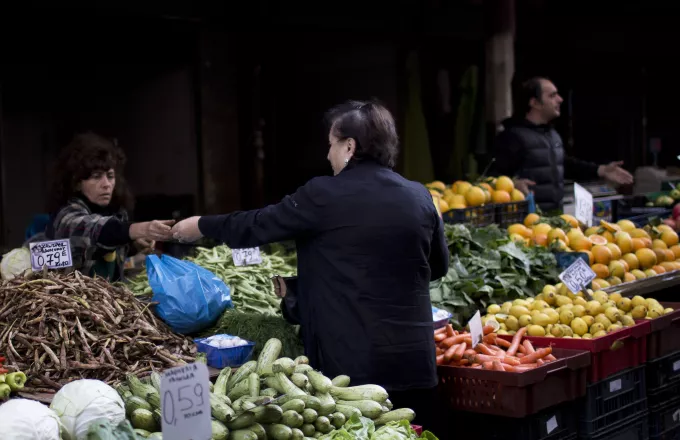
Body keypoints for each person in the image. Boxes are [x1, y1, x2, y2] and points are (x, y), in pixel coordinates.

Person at [172, 100, 449, 428]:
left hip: (353, 371)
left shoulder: (323, 194)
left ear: (349, 146)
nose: (327, 155)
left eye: (331, 145)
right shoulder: (419, 196)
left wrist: (202, 224)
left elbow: (258, 224)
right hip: (415, 365)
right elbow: (436, 267)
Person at [43, 132, 175, 281]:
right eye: (96, 176)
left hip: (106, 299)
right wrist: (141, 229)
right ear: (77, 183)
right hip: (69, 300)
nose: (106, 184)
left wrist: (132, 243)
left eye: (110, 176)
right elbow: (97, 231)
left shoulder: (116, 212)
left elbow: (111, 244)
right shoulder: (66, 217)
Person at [493, 76, 634, 212]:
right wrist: (513, 183)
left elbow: (564, 164)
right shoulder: (511, 136)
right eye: (552, 96)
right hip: (525, 223)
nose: (560, 100)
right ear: (535, 103)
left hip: (553, 218)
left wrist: (600, 170)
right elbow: (491, 176)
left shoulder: (552, 135)